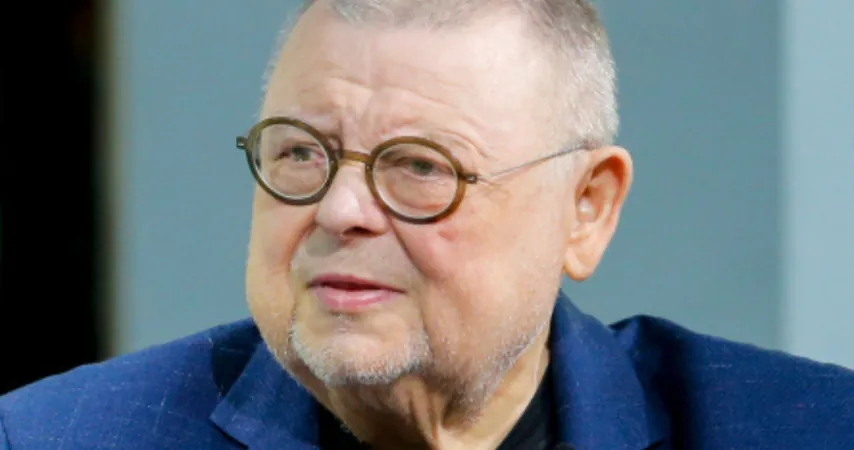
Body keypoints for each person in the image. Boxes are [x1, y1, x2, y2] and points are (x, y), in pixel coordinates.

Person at [2, 0, 853, 448]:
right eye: (301, 153)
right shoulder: (57, 439)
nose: (339, 210)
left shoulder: (808, 430)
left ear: (586, 210)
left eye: (419, 168)